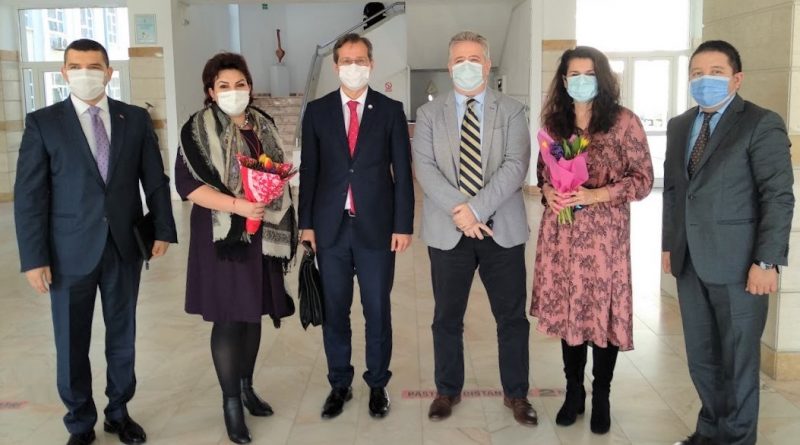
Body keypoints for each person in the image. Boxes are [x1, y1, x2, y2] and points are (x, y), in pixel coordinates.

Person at [14, 39, 177, 445]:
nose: (85, 73)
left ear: (108, 72)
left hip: (123, 248)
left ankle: (119, 412)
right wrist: (34, 258)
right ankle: (80, 422)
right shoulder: (43, 123)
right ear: (64, 72)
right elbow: (30, 196)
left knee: (123, 335)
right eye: (76, 66)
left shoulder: (134, 119)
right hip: (67, 253)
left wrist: (163, 228)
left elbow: (155, 179)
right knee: (71, 342)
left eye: (93, 66)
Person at [662, 40, 794, 445]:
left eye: (716, 72)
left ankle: (737, 440)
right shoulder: (680, 125)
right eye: (697, 73)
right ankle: (709, 432)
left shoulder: (760, 123)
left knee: (738, 363)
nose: (705, 80)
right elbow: (674, 192)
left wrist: (767, 261)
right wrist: (669, 246)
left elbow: (778, 196)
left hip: (740, 266)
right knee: (702, 359)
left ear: (737, 79)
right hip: (690, 261)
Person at [412, 31, 536, 426]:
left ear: (487, 63)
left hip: (502, 230)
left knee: (511, 318)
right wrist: (461, 212)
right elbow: (425, 168)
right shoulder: (429, 114)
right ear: (449, 67)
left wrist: (476, 210)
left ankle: (516, 393)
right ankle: (447, 390)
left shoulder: (512, 111)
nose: (466, 66)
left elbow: (516, 165)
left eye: (474, 59)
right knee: (446, 318)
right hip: (448, 232)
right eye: (459, 60)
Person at [175, 52, 297, 444]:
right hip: (223, 235)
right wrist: (237, 205)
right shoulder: (196, 129)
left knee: (252, 314)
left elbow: (276, 172)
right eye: (223, 86)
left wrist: (268, 196)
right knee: (229, 318)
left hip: (262, 232)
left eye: (239, 84)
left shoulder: (263, 124)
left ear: (250, 86)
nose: (233, 91)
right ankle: (231, 404)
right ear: (211, 91)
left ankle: (247, 388)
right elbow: (188, 187)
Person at [531, 46, 653, 435]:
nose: (581, 81)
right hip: (562, 238)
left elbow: (643, 180)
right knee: (571, 315)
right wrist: (549, 192)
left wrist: (597, 194)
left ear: (602, 77)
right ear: (563, 80)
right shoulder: (555, 123)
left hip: (603, 242)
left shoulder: (624, 122)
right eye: (574, 75)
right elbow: (544, 173)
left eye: (589, 74)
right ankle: (573, 392)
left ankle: (601, 395)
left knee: (602, 316)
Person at [299, 33, 414, 420]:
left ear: (371, 64)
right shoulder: (317, 111)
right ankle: (339, 383)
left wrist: (403, 225)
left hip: (377, 230)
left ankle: (377, 383)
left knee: (377, 310)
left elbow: (403, 172)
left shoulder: (391, 110)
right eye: (346, 61)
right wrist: (306, 224)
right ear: (335, 66)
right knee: (335, 310)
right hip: (329, 229)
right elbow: (310, 171)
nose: (353, 67)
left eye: (360, 60)